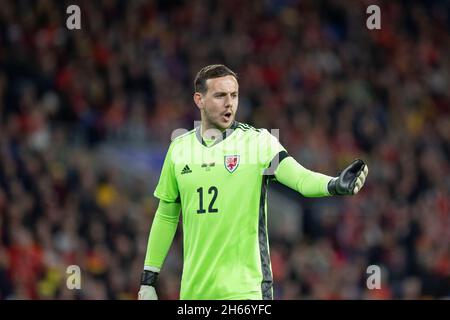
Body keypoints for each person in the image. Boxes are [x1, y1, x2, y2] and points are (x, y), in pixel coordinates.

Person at [138, 64, 368, 300]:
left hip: (245, 291)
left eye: (234, 95)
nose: (229, 103)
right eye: (220, 95)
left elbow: (300, 178)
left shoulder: (258, 143)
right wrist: (148, 279)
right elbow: (166, 215)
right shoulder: (179, 148)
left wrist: (333, 184)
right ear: (199, 100)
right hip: (194, 293)